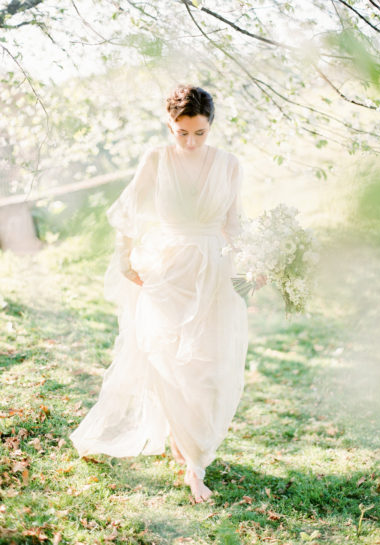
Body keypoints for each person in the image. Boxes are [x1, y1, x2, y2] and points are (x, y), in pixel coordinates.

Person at [69, 84, 266, 503]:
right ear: (170, 125)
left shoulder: (229, 164)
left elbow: (234, 222)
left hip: (215, 271)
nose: (192, 142)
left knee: (213, 366)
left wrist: (256, 262)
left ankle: (195, 459)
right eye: (183, 132)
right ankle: (187, 447)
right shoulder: (156, 160)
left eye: (200, 133)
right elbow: (129, 211)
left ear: (210, 126)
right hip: (168, 271)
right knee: (171, 361)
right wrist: (125, 259)